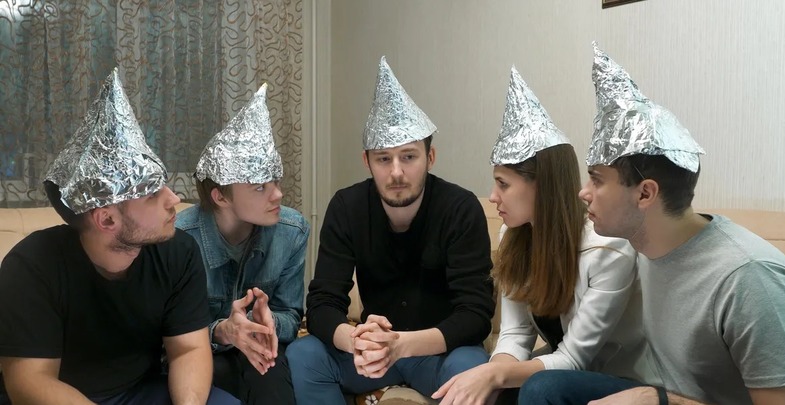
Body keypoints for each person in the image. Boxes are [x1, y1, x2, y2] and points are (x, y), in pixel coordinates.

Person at [519, 43, 785, 405]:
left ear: (645, 194)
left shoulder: (749, 280)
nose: (583, 193)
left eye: (597, 179)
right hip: (662, 395)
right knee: (543, 387)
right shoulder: (642, 247)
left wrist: (658, 401)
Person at [0, 69, 238, 405]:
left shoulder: (178, 251)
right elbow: (30, 381)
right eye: (153, 194)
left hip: (140, 392)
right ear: (107, 219)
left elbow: (188, 349)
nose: (174, 199)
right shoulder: (32, 265)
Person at [432, 67, 658, 405]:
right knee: (484, 389)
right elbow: (515, 333)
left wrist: (493, 375)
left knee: (533, 387)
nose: (493, 197)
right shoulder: (513, 234)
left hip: (618, 381)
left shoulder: (607, 250)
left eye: (503, 184)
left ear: (543, 186)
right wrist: (490, 379)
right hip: (557, 369)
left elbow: (574, 359)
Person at [287, 56, 496, 404]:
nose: (396, 172)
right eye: (384, 159)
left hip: (438, 352)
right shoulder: (347, 207)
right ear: (367, 162)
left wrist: (401, 345)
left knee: (471, 367)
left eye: (409, 157)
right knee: (304, 354)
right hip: (371, 353)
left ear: (430, 158)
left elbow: (475, 314)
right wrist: (356, 340)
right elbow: (323, 302)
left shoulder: (459, 208)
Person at [176, 83, 309, 404]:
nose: (278, 194)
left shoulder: (291, 230)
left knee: (270, 372)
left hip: (262, 351)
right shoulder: (180, 239)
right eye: (260, 187)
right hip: (197, 355)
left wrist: (265, 322)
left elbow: (291, 316)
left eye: (276, 181)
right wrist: (223, 330)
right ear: (220, 196)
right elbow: (168, 335)